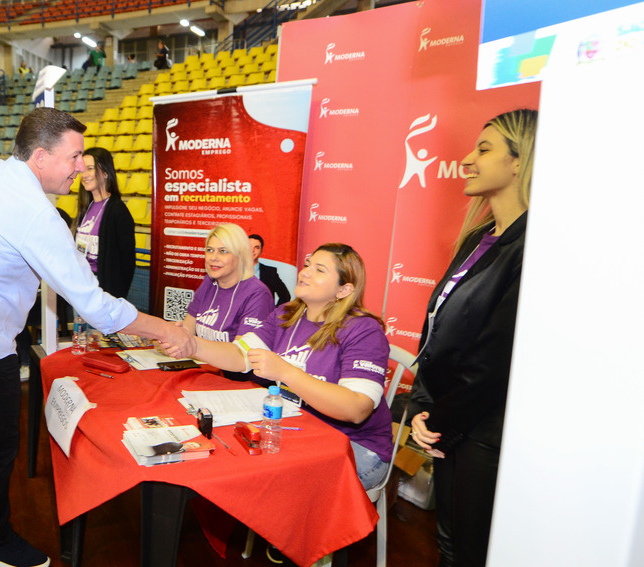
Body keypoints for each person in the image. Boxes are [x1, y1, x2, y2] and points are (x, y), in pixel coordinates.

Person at [0, 107, 194, 567]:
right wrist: (166, 329)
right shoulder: (36, 215)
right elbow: (96, 305)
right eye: (76, 156)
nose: (82, 166)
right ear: (41, 156)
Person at [408, 108, 538, 567]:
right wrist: (424, 406)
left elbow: (493, 357)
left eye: (484, 149)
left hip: (483, 430)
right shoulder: (479, 237)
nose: (467, 159)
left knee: (469, 552)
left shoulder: (534, 246)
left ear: (519, 162)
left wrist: (439, 418)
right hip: (449, 421)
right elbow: (442, 330)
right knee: (448, 543)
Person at [168, 242, 393, 490]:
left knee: (274, 486)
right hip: (298, 429)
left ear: (344, 289)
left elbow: (357, 408)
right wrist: (192, 345)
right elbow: (239, 355)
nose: (305, 272)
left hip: (353, 446)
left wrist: (286, 372)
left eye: (319, 270)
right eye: (307, 264)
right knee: (231, 463)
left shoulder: (364, 330)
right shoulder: (287, 314)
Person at [181, 223, 273, 344]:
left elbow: (241, 354)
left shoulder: (258, 294)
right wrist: (166, 336)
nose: (213, 257)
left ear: (240, 256)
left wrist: (192, 347)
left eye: (223, 251)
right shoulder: (209, 282)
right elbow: (186, 330)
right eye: (210, 250)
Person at [74, 147, 135, 299]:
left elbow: (127, 263)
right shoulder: (85, 207)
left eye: (90, 169)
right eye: (82, 170)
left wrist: (116, 297)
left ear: (105, 173)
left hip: (103, 293)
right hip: (81, 287)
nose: (84, 175)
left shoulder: (118, 211)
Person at [248, 233, 291, 306]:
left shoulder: (270, 273)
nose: (252, 250)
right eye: (249, 246)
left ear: (261, 251)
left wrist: (274, 313)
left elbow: (285, 296)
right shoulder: (235, 271)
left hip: (263, 316)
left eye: (257, 247)